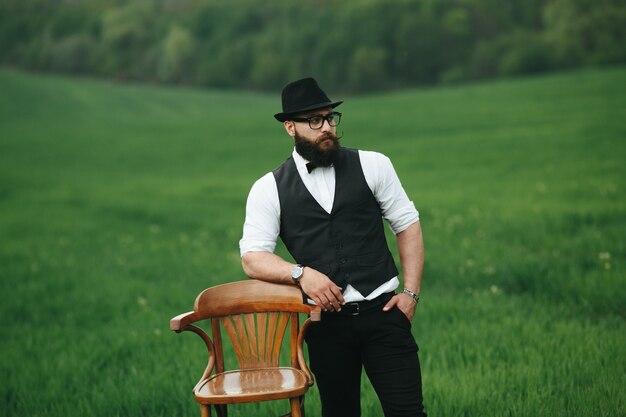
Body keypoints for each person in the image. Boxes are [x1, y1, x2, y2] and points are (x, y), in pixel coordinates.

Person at [239, 77, 427, 417]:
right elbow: (253, 258)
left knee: (409, 414)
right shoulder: (268, 189)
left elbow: (407, 224)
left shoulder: (374, 164)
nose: (326, 127)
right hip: (325, 326)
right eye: (314, 120)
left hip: (385, 314)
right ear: (290, 128)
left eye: (329, 118)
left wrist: (410, 295)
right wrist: (300, 274)